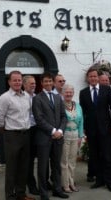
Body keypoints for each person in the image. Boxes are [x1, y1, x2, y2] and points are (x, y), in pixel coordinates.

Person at [0, 70, 35, 200]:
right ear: (9, 82)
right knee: (12, 168)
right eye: (14, 80)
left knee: (24, 167)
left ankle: (21, 194)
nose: (17, 82)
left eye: (19, 80)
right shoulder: (5, 98)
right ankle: (10, 196)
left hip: (26, 135)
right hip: (12, 136)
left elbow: (29, 114)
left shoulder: (26, 96)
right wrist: (5, 130)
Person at [79, 67, 111, 192]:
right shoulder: (83, 92)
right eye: (91, 76)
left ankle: (110, 182)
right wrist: (84, 128)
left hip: (106, 129)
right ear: (88, 78)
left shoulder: (107, 89)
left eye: (95, 76)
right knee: (95, 156)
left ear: (98, 77)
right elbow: (83, 112)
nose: (93, 78)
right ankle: (99, 180)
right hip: (91, 130)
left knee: (107, 156)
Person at [32, 72, 68, 200]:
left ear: (53, 82)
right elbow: (39, 119)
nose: (48, 83)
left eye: (50, 81)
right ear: (41, 83)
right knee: (42, 166)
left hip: (58, 137)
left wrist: (60, 131)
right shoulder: (37, 98)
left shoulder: (58, 97)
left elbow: (64, 116)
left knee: (56, 165)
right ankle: (43, 193)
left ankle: (57, 189)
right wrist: (53, 131)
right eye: (45, 81)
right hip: (44, 137)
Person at [60, 84, 84, 193]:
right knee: (64, 161)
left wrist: (80, 136)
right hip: (64, 135)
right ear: (62, 93)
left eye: (70, 92)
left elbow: (81, 121)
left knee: (72, 161)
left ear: (73, 93)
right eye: (66, 92)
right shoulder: (60, 105)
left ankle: (71, 183)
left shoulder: (77, 105)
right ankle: (65, 185)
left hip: (75, 135)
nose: (68, 94)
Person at [23, 75, 40, 195]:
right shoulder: (21, 98)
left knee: (40, 158)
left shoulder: (37, 97)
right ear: (24, 85)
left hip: (37, 130)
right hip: (27, 131)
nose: (33, 85)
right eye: (31, 83)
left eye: (34, 83)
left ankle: (44, 182)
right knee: (28, 161)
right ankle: (31, 185)